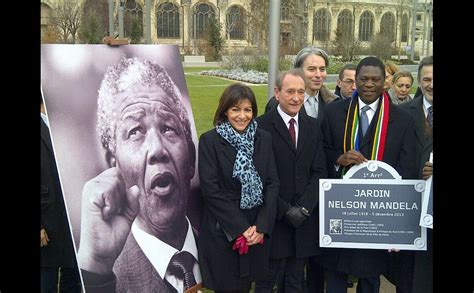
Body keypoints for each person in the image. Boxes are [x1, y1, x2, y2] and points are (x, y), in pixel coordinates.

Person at [76, 57, 201, 293]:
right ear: (113, 167)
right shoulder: (105, 278)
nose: (157, 149)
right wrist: (95, 268)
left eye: (168, 128)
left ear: (191, 160)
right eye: (135, 132)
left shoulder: (215, 250)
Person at [320, 56, 417, 293]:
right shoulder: (334, 112)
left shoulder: (402, 119)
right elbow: (319, 152)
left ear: (385, 81)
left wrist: (397, 225)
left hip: (378, 215)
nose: (369, 84)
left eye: (375, 79)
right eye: (363, 79)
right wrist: (338, 158)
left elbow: (407, 168)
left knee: (371, 277)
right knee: (335, 276)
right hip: (341, 211)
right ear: (356, 81)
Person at [197, 83, 280, 293]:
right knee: (228, 286)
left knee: (247, 285)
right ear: (225, 110)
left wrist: (261, 227)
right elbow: (211, 190)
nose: (242, 116)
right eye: (235, 109)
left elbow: (271, 183)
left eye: (247, 109)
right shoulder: (210, 141)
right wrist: (240, 228)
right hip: (224, 229)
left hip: (256, 229)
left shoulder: (263, 138)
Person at [255, 69, 328, 293]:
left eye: (301, 92)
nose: (296, 98)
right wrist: (285, 210)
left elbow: (319, 171)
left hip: (303, 222)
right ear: (277, 93)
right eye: (290, 92)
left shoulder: (313, 126)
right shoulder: (260, 126)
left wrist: (304, 208)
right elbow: (259, 177)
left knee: (296, 281)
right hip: (274, 220)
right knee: (267, 280)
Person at [386, 56, 433, 293]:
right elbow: (392, 157)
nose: (431, 84)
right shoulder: (401, 113)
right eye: (426, 79)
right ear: (420, 81)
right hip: (407, 208)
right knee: (407, 278)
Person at [41, 90, 82, 293]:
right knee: (46, 282)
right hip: (47, 224)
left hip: (71, 221)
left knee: (73, 279)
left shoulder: (65, 127)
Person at [264, 46, 337, 123]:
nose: (318, 75)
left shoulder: (333, 102)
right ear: (298, 71)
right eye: (311, 69)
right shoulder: (278, 103)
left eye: (322, 69)